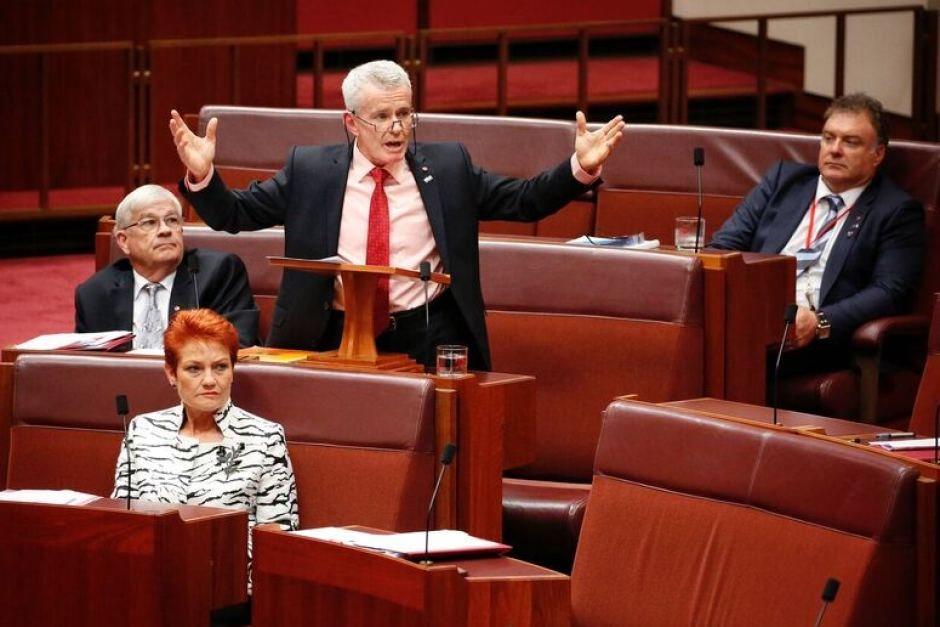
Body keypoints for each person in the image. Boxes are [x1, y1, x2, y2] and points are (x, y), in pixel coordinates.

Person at [170, 59, 625, 370]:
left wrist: (580, 168)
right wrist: (204, 175)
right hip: (329, 333)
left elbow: (525, 201)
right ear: (351, 122)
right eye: (381, 116)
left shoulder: (448, 167)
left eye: (405, 114)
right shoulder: (309, 170)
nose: (396, 128)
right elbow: (235, 215)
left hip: (426, 333)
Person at [709, 93, 924, 367]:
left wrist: (820, 321)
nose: (835, 149)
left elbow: (889, 291)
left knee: (718, 354)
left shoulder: (895, 210)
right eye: (828, 138)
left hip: (817, 338)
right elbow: (723, 246)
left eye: (851, 142)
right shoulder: (783, 182)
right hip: (753, 312)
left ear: (878, 154)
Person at [112, 309, 298, 609]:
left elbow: (277, 541)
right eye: (194, 369)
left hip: (228, 596)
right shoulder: (142, 431)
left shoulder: (264, 438)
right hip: (145, 590)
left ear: (233, 370)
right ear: (171, 374)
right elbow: (122, 523)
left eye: (221, 367)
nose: (210, 380)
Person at [75, 184, 260, 348]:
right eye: (150, 223)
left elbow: (237, 345)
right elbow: (85, 367)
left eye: (172, 220)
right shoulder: (95, 293)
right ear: (123, 240)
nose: (165, 230)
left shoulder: (218, 273)